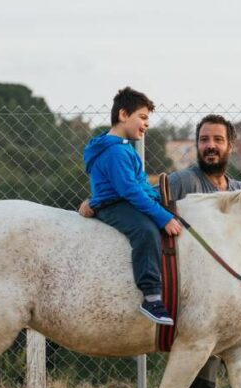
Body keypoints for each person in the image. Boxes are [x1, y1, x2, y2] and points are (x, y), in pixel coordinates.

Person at [79, 114, 241, 388]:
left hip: (233, 310)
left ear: (230, 145)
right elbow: (139, 196)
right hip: (197, 307)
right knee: (199, 386)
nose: (210, 146)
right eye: (203, 139)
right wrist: (97, 201)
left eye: (217, 139)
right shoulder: (181, 183)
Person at [83, 86, 182, 326]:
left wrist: (160, 202)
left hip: (125, 199)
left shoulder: (123, 148)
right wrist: (162, 217)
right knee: (146, 231)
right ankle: (151, 296)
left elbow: (139, 186)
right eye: (143, 117)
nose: (147, 124)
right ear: (123, 115)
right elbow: (129, 190)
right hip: (114, 204)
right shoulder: (115, 151)